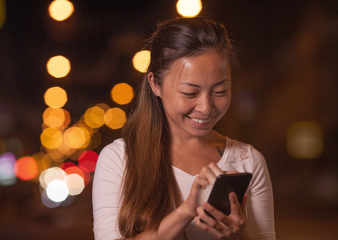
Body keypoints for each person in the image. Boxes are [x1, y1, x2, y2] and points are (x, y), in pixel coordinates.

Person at [92, 17, 275, 240]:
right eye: (190, 93)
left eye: (220, 91)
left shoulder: (249, 160)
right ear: (155, 84)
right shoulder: (119, 158)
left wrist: (239, 236)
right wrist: (186, 211)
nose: (206, 107)